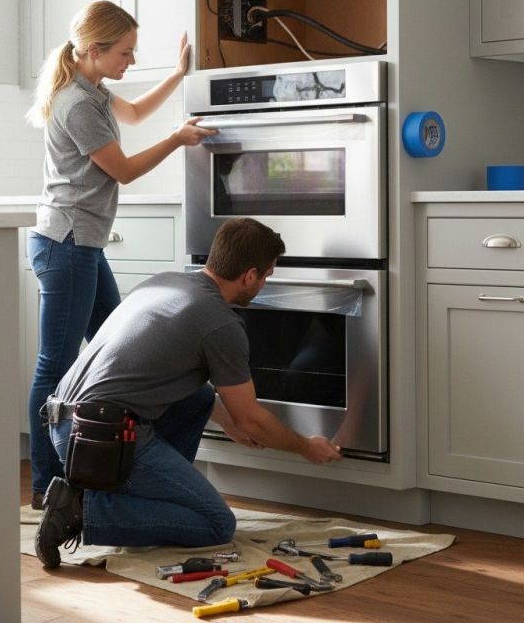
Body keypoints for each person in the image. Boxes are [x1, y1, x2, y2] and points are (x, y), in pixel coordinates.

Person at [34, 217, 343, 568]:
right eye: (267, 276)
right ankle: (82, 509)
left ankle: (136, 495)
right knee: (217, 523)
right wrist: (306, 447)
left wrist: (228, 423)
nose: (264, 284)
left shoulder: (165, 282)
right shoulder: (221, 322)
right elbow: (253, 420)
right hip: (102, 439)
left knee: (200, 397)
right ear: (249, 275)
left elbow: (183, 382)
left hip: (68, 422)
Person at [25, 0, 213, 510]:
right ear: (94, 50)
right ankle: (46, 485)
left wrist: (177, 76)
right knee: (55, 366)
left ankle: (131, 471)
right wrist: (178, 139)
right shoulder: (77, 104)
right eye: (125, 52)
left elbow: (134, 112)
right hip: (66, 245)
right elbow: (123, 171)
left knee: (127, 353)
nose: (130, 60)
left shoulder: (97, 92)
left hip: (81, 243)